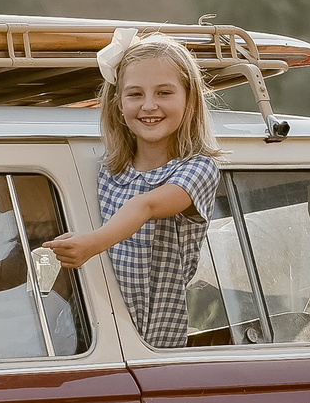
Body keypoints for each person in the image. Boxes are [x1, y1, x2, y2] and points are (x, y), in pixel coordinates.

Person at [47, 33, 221, 348]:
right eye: (135, 94)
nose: (149, 105)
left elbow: (145, 206)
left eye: (164, 92)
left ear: (189, 99)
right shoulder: (105, 170)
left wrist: (90, 244)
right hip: (87, 333)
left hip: (150, 344)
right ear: (118, 103)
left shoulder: (198, 169)